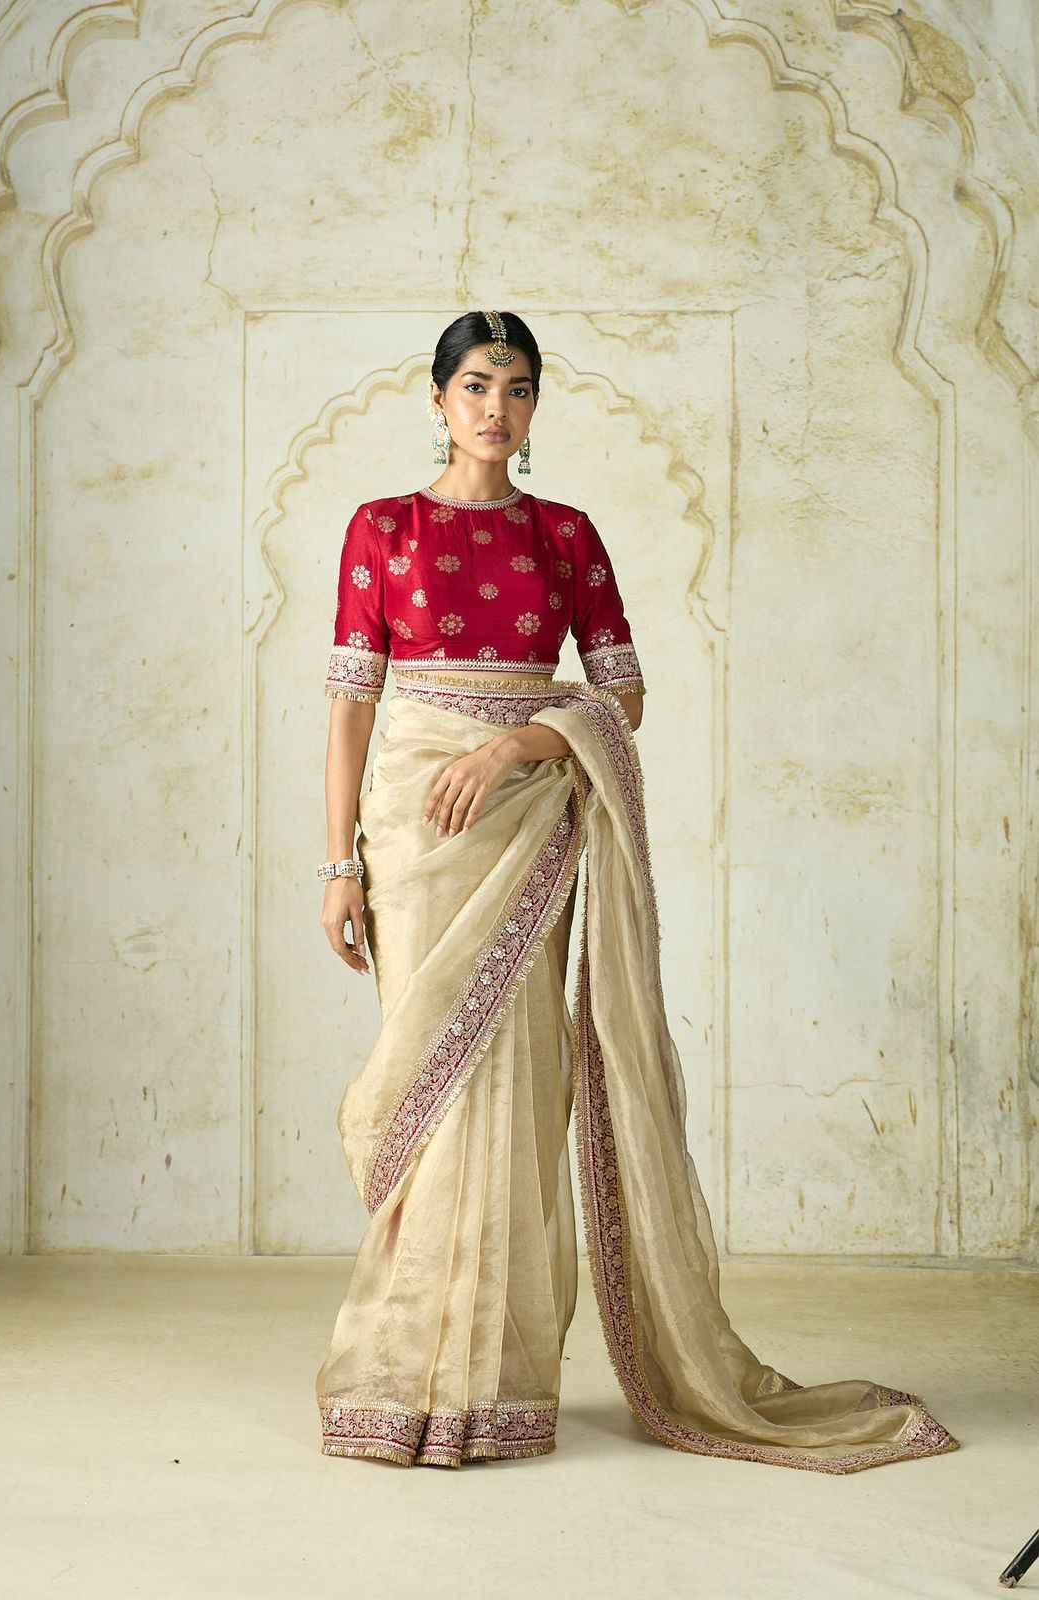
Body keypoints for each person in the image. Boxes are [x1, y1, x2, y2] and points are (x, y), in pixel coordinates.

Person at [313, 310, 960, 1472]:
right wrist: (340, 865)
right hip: (416, 832)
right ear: (434, 399)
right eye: (473, 386)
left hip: (525, 819)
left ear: (534, 405)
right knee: (437, 1086)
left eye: (515, 389)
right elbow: (350, 713)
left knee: (517, 1083)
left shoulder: (565, 533)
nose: (493, 409)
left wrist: (520, 747)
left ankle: (496, 1382)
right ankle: (404, 1366)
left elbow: (626, 696)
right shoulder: (382, 528)